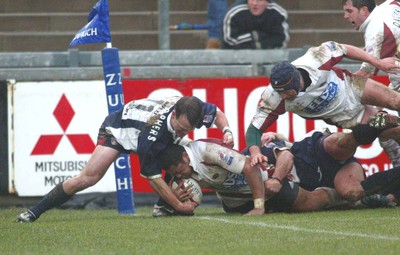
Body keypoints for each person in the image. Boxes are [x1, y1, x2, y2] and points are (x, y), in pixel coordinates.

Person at [16, 96, 234, 223]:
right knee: (88, 178)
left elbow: (216, 114)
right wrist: (179, 204)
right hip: (117, 130)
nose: (184, 133)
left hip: (145, 131)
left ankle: (162, 208)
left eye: (189, 129)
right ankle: (34, 211)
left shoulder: (191, 108)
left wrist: (227, 131)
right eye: (181, 128)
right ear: (174, 116)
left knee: (179, 155)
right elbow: (153, 178)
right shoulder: (152, 137)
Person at [158, 132, 400, 215]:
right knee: (351, 194)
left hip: (317, 158)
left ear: (185, 158)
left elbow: (285, 156)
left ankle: (369, 126)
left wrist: (273, 182)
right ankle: (375, 196)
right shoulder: (190, 172)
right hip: (309, 178)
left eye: (180, 170)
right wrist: (181, 205)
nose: (182, 176)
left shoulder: (254, 155)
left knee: (338, 151)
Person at [245, 41, 400, 168]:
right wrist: (255, 152)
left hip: (351, 86)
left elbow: (344, 49)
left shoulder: (316, 59)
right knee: (388, 130)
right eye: (279, 92)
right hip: (346, 116)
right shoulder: (273, 97)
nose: (283, 96)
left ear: (295, 80)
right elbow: (254, 130)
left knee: (396, 101)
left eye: (286, 91)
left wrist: (377, 63)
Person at [342, 0, 400, 166]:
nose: (345, 16)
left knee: (382, 128)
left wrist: (338, 84)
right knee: (381, 123)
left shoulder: (375, 30)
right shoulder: (391, 5)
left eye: (349, 11)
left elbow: (364, 75)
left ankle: (397, 169)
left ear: (364, 10)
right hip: (396, 85)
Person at [222, 0, 289, 49]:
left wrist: (258, 43)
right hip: (237, 59)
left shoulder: (278, 14)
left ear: (267, 1)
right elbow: (229, 40)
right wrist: (255, 36)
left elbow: (282, 40)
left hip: (270, 58)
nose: (254, 3)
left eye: (259, 0)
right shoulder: (234, 13)